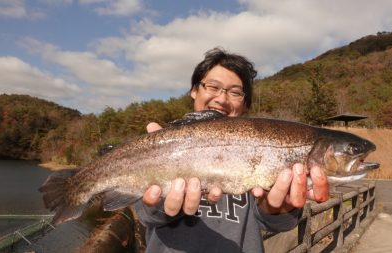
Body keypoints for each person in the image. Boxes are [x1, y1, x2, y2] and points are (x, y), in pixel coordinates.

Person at [134, 47, 329, 252]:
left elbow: (277, 224)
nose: (222, 98)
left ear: (245, 104)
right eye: (212, 86)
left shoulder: (262, 151)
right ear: (194, 90)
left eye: (235, 92)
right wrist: (160, 204)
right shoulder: (164, 143)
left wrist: (278, 208)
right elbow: (145, 215)